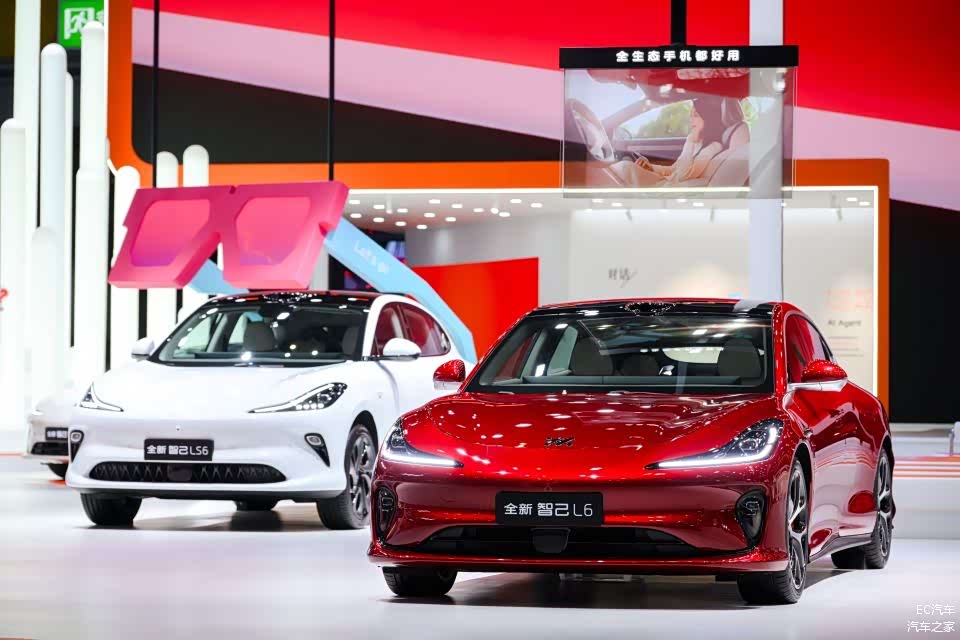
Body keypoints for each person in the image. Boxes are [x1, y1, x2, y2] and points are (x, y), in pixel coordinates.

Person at [610, 96, 749, 187]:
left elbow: (682, 175)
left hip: (669, 187)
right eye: (691, 115)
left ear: (708, 118)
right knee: (626, 168)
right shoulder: (697, 142)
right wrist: (650, 167)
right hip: (666, 182)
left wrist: (691, 142)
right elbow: (673, 169)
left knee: (624, 168)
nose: (691, 119)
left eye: (695, 115)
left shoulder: (713, 147)